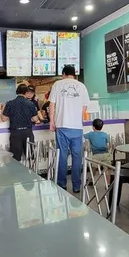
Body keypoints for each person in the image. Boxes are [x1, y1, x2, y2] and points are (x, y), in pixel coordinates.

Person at [49, 65, 90, 193]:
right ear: (74, 74)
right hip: (77, 127)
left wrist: (52, 121)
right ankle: (76, 186)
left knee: (62, 155)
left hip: (61, 125)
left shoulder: (57, 84)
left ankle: (62, 184)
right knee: (77, 157)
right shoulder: (82, 86)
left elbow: (52, 104)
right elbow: (84, 107)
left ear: (64, 74)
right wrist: (78, 118)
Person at [0, 84, 39, 161]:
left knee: (15, 159)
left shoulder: (10, 103)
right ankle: (30, 172)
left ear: (17, 92)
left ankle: (16, 172)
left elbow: (3, 119)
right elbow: (35, 119)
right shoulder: (30, 103)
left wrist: (3, 108)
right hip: (28, 132)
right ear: (26, 92)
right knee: (30, 156)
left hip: (15, 133)